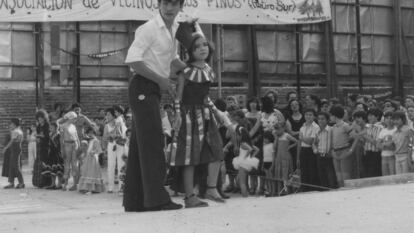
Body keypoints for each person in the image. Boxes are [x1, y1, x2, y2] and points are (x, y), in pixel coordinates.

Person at [123, 0, 186, 211]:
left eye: (174, 4)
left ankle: (135, 201)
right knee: (153, 143)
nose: (169, 8)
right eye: (166, 3)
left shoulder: (176, 29)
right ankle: (157, 199)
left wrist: (195, 67)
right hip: (142, 86)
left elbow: (173, 60)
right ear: (159, 5)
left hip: (154, 88)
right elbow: (133, 60)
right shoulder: (149, 28)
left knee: (140, 147)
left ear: (180, 6)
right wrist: (161, 80)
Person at [172, 32, 225, 208]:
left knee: (217, 150)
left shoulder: (209, 70)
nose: (202, 48)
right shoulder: (185, 71)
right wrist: (178, 115)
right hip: (188, 117)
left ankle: (211, 187)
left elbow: (205, 97)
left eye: (204, 45)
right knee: (190, 157)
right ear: (190, 51)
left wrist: (217, 112)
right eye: (196, 47)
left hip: (206, 116)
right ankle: (190, 196)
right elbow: (177, 97)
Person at [232, 126, 259, 197]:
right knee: (239, 180)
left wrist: (245, 157)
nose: (237, 137)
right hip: (245, 163)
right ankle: (245, 194)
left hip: (243, 163)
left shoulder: (243, 143)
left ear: (241, 135)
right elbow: (257, 150)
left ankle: (245, 196)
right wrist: (251, 158)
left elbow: (250, 149)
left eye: (237, 135)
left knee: (242, 182)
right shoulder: (248, 143)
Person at [271, 122, 298, 196]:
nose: (277, 131)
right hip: (279, 157)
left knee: (286, 173)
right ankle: (280, 190)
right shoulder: (277, 136)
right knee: (279, 173)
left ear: (283, 128)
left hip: (285, 156)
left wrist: (290, 147)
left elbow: (296, 141)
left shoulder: (286, 135)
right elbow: (274, 147)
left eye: (278, 129)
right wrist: (276, 137)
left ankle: (287, 190)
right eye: (276, 129)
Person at [330, 106, 353, 187]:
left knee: (345, 173)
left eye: (331, 115)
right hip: (336, 151)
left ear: (334, 116)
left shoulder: (345, 126)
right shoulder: (333, 127)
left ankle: (348, 189)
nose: (330, 117)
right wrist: (332, 150)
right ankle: (341, 189)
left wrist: (350, 150)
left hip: (344, 150)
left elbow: (354, 136)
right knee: (338, 174)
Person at [297, 109, 320, 191]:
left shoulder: (316, 127)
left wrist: (302, 137)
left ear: (314, 116)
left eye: (310, 115)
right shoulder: (302, 127)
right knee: (304, 171)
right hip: (303, 150)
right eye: (306, 114)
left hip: (311, 150)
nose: (308, 116)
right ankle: (304, 189)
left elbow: (311, 141)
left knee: (312, 170)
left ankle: (313, 188)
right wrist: (298, 157)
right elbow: (299, 143)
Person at [313, 112, 337, 189]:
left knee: (331, 175)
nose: (320, 120)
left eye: (323, 119)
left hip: (329, 155)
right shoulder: (316, 130)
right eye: (319, 119)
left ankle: (333, 190)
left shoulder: (331, 129)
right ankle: (325, 192)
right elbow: (314, 143)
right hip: (320, 155)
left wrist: (332, 150)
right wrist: (315, 149)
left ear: (327, 120)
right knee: (322, 175)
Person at [78, 127, 105, 194]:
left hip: (93, 159)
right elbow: (85, 149)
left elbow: (99, 150)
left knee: (92, 173)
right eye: (89, 133)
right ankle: (85, 188)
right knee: (86, 172)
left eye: (92, 133)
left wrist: (94, 152)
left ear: (94, 133)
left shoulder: (95, 140)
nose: (90, 134)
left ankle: (91, 189)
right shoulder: (88, 140)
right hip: (87, 159)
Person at [245, 97, 263, 195]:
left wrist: (254, 139)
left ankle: (261, 187)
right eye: (251, 102)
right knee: (250, 164)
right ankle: (252, 186)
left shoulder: (260, 114)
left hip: (258, 141)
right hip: (247, 142)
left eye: (255, 102)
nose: (253, 104)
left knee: (258, 164)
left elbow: (260, 130)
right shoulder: (246, 114)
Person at [102, 107, 123, 194]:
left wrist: (116, 128)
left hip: (120, 144)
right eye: (106, 115)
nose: (107, 116)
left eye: (109, 114)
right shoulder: (106, 125)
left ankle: (121, 187)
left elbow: (121, 134)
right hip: (111, 145)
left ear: (113, 115)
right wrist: (104, 149)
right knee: (111, 166)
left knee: (121, 165)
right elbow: (104, 137)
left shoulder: (119, 122)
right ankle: (110, 187)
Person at [60, 111, 81, 191]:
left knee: (75, 164)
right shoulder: (63, 126)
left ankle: (75, 184)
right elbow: (61, 139)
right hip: (67, 145)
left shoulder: (73, 126)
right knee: (67, 164)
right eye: (74, 118)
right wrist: (62, 149)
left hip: (74, 144)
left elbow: (77, 137)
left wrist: (79, 146)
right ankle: (65, 184)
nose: (75, 120)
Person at [2, 118, 25, 189]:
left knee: (16, 166)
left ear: (15, 124)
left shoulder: (15, 131)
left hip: (15, 149)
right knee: (11, 166)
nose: (10, 125)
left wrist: (5, 148)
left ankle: (21, 182)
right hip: (16, 149)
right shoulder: (19, 130)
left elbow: (12, 141)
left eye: (11, 124)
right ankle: (11, 183)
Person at [33, 109, 51, 188]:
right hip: (39, 146)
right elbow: (37, 135)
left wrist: (39, 136)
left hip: (46, 147)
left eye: (41, 117)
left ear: (44, 117)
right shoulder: (39, 126)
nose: (40, 119)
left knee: (45, 164)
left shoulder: (47, 125)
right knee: (38, 164)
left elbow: (47, 137)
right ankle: (39, 182)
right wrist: (37, 137)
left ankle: (46, 183)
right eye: (38, 117)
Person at [362, 108, 383, 177]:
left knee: (374, 173)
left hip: (376, 154)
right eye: (368, 116)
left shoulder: (380, 127)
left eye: (371, 115)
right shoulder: (368, 127)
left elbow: (377, 143)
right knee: (367, 173)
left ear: (377, 116)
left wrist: (366, 137)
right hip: (367, 153)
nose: (369, 118)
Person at [42, 122, 64, 189]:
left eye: (52, 127)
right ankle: (53, 184)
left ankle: (59, 184)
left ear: (56, 127)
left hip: (57, 153)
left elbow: (60, 145)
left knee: (58, 170)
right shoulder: (50, 134)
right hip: (51, 154)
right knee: (52, 169)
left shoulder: (59, 135)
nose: (50, 129)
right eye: (50, 127)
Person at [377, 111, 397, 176]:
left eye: (391, 118)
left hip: (393, 156)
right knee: (385, 176)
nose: (389, 120)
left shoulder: (396, 130)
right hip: (383, 156)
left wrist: (383, 144)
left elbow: (394, 146)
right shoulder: (383, 131)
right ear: (384, 120)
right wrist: (386, 144)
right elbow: (378, 145)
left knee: (393, 175)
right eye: (387, 118)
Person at [262, 131, 275, 197]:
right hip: (265, 162)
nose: (264, 139)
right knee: (267, 178)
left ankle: (273, 191)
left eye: (266, 138)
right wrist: (262, 165)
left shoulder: (272, 145)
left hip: (270, 163)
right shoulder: (264, 145)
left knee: (271, 178)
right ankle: (269, 190)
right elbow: (263, 155)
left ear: (269, 138)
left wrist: (273, 165)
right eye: (264, 138)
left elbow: (273, 155)